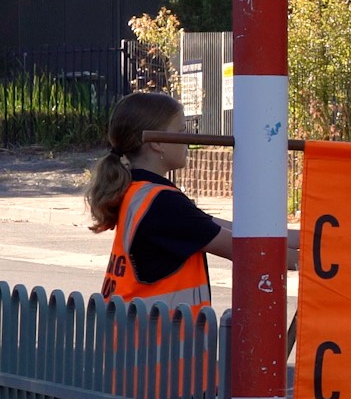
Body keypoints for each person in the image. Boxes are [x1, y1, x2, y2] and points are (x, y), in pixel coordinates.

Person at [85, 91, 300, 312]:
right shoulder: (162, 204)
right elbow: (248, 249)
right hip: (158, 342)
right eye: (181, 131)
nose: (188, 139)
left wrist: (312, 238)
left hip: (137, 339)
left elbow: (229, 230)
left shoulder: (141, 192)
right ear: (158, 142)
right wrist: (318, 262)